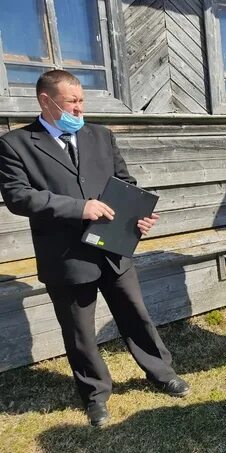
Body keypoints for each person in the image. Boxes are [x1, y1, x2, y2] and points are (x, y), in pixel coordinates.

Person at [0, 70, 190, 427]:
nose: (79, 107)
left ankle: (161, 372)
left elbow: (125, 183)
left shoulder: (100, 135)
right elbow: (18, 197)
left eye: (81, 100)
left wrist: (139, 218)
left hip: (114, 249)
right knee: (79, 331)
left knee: (136, 315)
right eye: (72, 101)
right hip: (66, 257)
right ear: (46, 101)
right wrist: (79, 208)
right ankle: (95, 395)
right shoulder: (16, 144)